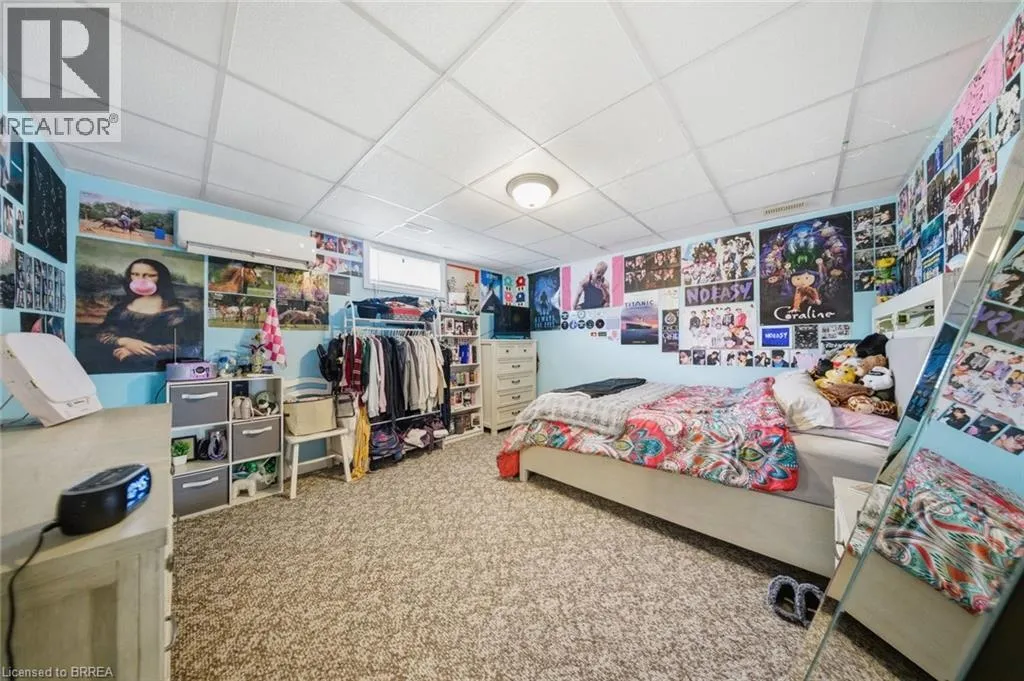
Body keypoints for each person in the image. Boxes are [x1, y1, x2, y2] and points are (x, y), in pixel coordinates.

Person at [92, 258, 201, 372]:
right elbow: (102, 334)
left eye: (149, 275)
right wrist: (126, 341)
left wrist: (136, 351)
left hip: (155, 369)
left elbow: (186, 347)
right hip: (116, 367)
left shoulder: (177, 312)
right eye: (135, 274)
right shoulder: (121, 308)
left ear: (161, 278)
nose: (141, 280)